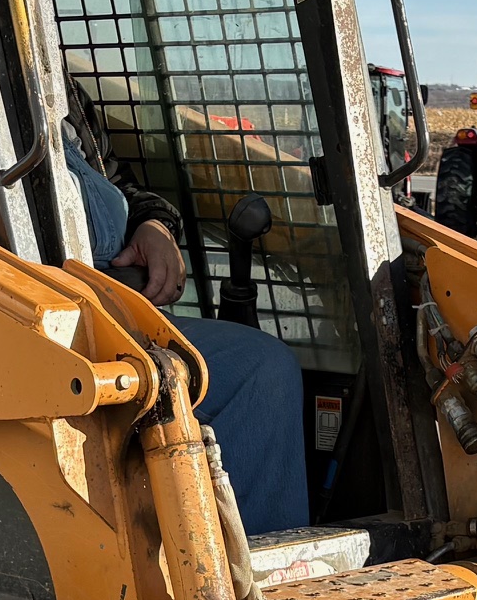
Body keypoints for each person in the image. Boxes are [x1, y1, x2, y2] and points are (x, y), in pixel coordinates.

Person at [60, 121, 309, 533]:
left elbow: (121, 185)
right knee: (257, 371)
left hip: (120, 308)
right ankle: (246, 574)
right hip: (37, 314)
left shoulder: (65, 103)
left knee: (260, 363)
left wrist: (153, 225)